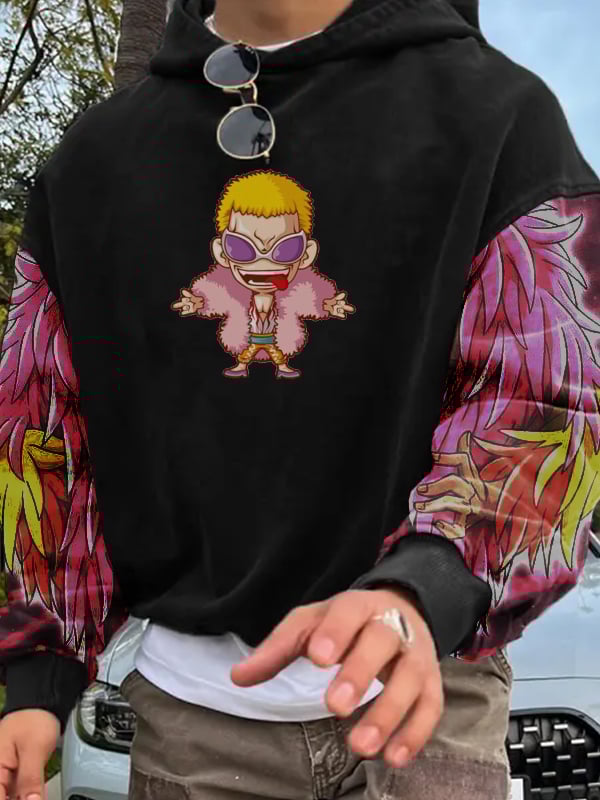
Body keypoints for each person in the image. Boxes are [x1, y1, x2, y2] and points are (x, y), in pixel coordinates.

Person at [1, 0, 599, 797]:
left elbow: (547, 403)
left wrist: (426, 586)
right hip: (194, 725)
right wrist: (42, 670)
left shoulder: (502, 119)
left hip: (430, 699)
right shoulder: (91, 165)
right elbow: (44, 425)